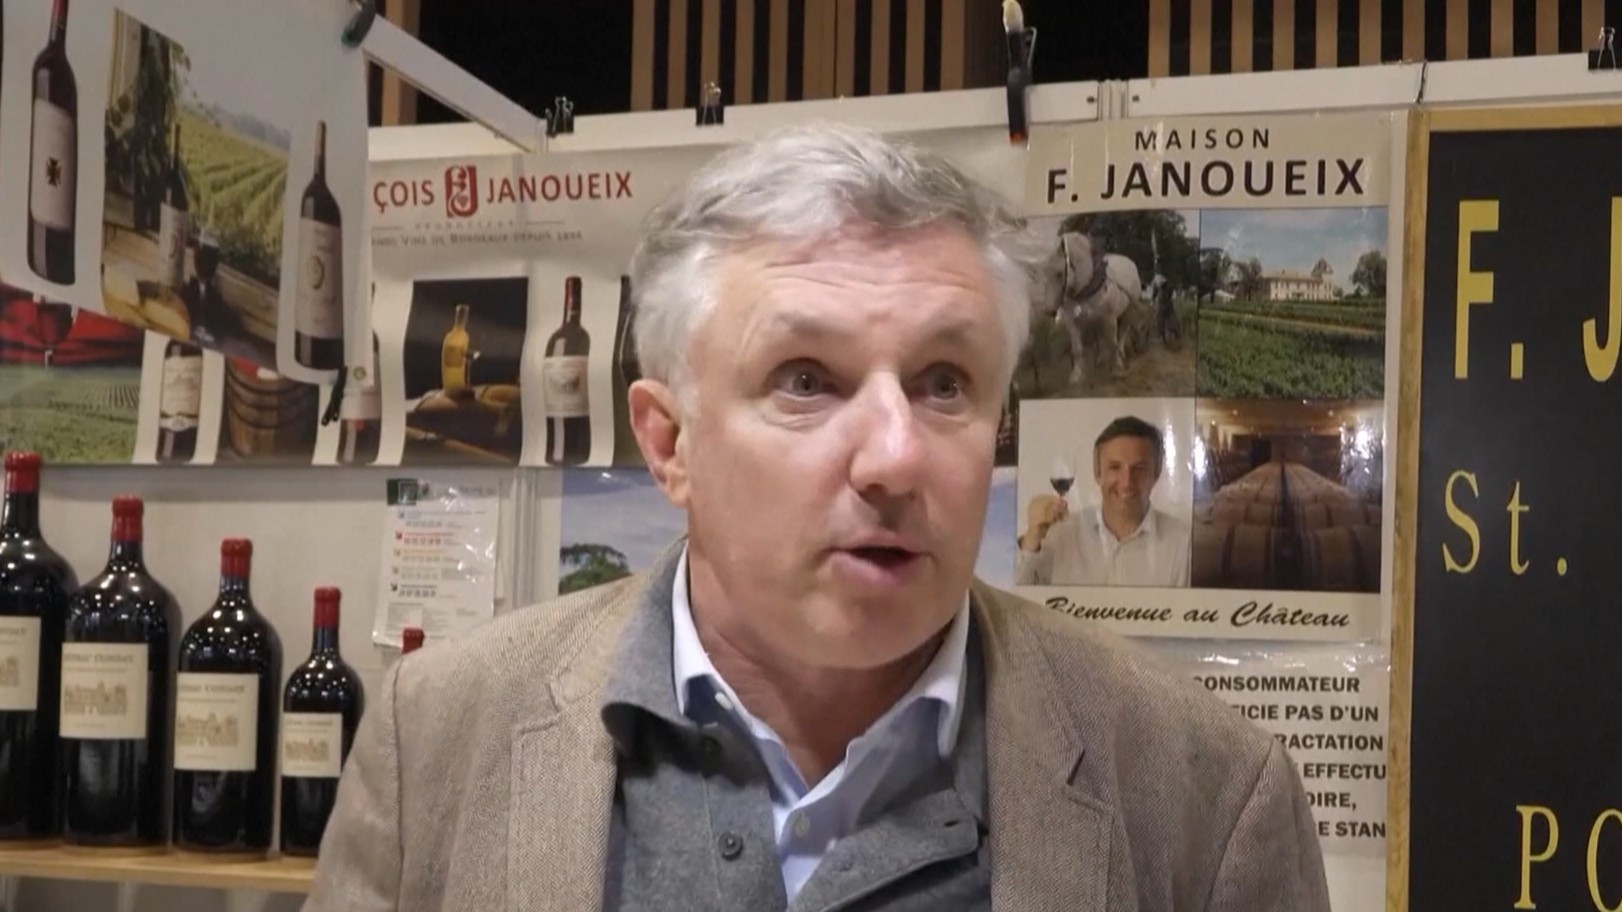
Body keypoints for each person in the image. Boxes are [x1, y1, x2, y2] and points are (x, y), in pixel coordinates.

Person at [303, 123, 1328, 912]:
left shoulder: (1206, 796)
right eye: (804, 379)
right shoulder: (436, 734)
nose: (893, 457)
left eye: (943, 382)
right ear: (669, 444)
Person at [1016, 415, 1193, 587]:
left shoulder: (1183, 544)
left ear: (1157, 473)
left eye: (1139, 468)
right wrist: (1032, 538)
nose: (1127, 482)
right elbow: (1015, 599)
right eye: (1115, 467)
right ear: (1097, 473)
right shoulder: (1059, 535)